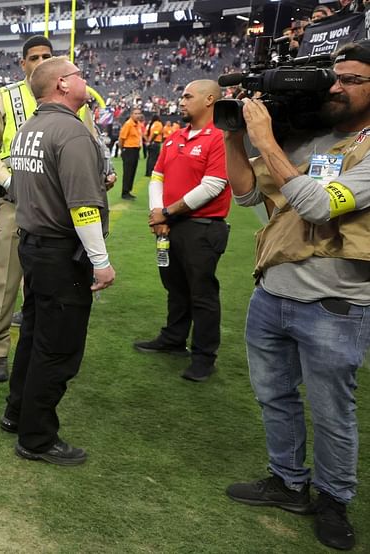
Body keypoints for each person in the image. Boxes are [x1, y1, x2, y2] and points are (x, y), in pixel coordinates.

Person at [222, 40, 370, 551]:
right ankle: (287, 481)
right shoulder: (311, 138)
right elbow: (245, 195)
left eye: (352, 79)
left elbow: (317, 206)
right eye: (336, 76)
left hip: (335, 303)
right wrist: (235, 137)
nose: (336, 86)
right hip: (273, 292)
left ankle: (333, 498)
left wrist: (266, 139)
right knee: (275, 397)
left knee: (332, 411)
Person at [1, 56, 115, 466]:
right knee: (58, 347)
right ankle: (37, 437)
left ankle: (17, 412)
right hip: (59, 253)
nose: (86, 80)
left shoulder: (30, 128)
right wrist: (100, 262)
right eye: (80, 75)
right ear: (63, 84)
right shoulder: (71, 132)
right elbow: (83, 207)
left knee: (33, 335)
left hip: (33, 245)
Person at [0, 35, 112, 382]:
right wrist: (9, 181)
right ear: (22, 63)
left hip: (59, 202)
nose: (39, 61)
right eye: (33, 56)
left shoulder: (71, 100)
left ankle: (39, 351)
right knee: (7, 278)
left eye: (46, 56)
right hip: (16, 199)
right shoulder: (5, 97)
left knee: (53, 281)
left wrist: (101, 172)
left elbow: (89, 141)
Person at [134, 80, 230, 382]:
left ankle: (204, 355)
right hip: (171, 224)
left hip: (202, 227)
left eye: (188, 96)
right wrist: (157, 214)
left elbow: (214, 185)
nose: (182, 100)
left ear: (210, 99)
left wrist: (167, 211)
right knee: (174, 286)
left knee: (202, 293)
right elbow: (156, 177)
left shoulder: (221, 138)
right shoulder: (174, 137)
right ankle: (174, 338)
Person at [118, 107, 143, 200]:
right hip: (128, 150)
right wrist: (122, 149)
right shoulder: (128, 124)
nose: (137, 115)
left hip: (135, 150)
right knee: (128, 172)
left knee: (132, 171)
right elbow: (121, 138)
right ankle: (124, 192)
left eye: (139, 113)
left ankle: (128, 190)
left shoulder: (138, 124)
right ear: (131, 115)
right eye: (135, 113)